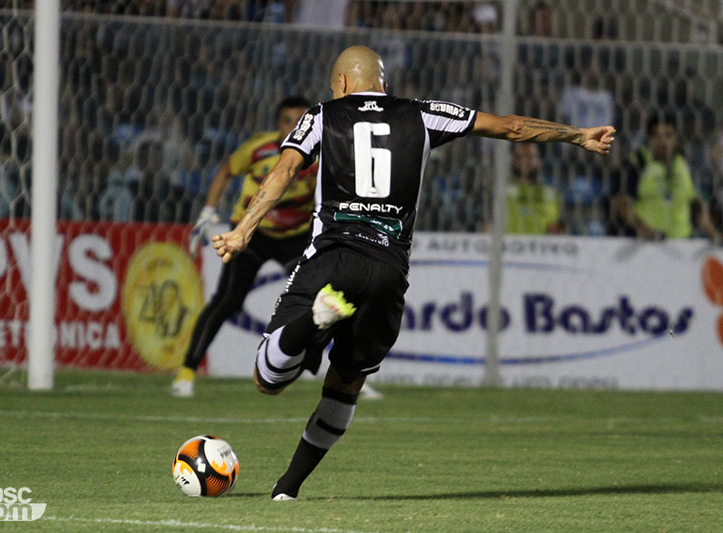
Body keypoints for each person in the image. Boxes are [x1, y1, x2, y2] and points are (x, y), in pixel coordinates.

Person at [211, 45, 615, 500]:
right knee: (346, 385)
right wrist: (578, 135)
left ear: (341, 83)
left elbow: (284, 169)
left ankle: (313, 321)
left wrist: (243, 230)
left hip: (333, 256)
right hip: (388, 269)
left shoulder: (322, 115)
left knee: (267, 380)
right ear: (382, 82)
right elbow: (512, 127)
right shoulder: (423, 114)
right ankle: (288, 488)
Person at [172, 96, 385, 399]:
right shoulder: (258, 148)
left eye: (300, 120)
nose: (294, 126)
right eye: (287, 120)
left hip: (296, 237)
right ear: (277, 123)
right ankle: (186, 372)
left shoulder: (321, 152)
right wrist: (207, 213)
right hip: (253, 233)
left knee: (327, 299)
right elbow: (226, 171)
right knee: (228, 300)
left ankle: (343, 373)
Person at [609, 112, 720, 242]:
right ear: (649, 139)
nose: (663, 141)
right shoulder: (637, 163)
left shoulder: (682, 163)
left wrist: (710, 229)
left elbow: (694, 199)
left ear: (676, 139)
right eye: (657, 136)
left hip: (682, 242)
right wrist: (642, 228)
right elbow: (621, 203)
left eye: (668, 135)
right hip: (646, 243)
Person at [505, 143, 564, 235]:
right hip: (507, 242)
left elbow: (557, 227)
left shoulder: (550, 194)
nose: (526, 161)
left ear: (539, 160)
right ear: (513, 160)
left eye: (531, 156)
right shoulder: (502, 191)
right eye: (521, 156)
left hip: (541, 243)